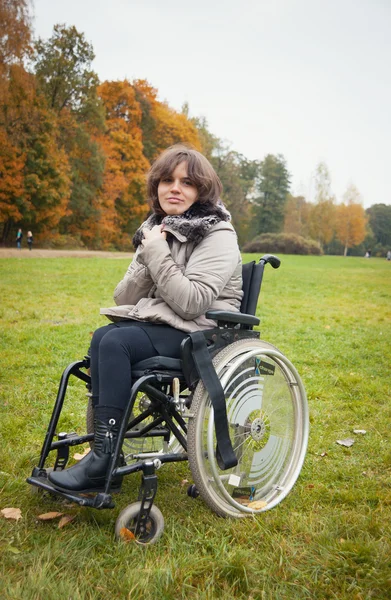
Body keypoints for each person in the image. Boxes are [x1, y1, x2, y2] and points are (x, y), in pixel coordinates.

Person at [48, 144, 243, 493]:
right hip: (166, 324)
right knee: (103, 337)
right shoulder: (156, 228)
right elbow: (124, 297)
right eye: (167, 180)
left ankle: (102, 461)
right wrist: (150, 250)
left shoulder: (218, 234)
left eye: (186, 182)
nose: (175, 188)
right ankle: (105, 452)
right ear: (156, 187)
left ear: (201, 190)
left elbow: (192, 303)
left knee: (117, 341)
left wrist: (156, 251)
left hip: (204, 332)